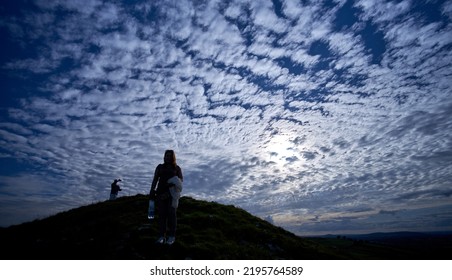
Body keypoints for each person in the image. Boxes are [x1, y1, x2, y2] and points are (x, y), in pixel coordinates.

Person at [149, 150, 183, 245]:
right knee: (162, 215)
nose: (167, 157)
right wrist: (152, 190)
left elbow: (180, 180)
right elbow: (155, 179)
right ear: (164, 157)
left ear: (173, 157)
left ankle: (171, 236)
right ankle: (161, 236)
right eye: (166, 155)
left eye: (169, 156)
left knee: (172, 214)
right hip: (160, 193)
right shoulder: (160, 167)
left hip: (172, 194)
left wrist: (172, 184)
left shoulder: (177, 168)